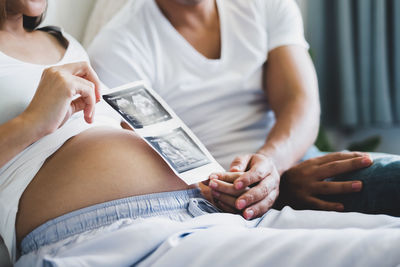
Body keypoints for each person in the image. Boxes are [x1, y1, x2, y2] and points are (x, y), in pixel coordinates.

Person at [1, 0, 400, 266]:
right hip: (115, 234)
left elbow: (300, 101)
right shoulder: (123, 39)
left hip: (206, 209)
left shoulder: (62, 42)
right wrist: (31, 122)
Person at [88, 0, 400, 218]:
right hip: (219, 195)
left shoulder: (263, 5)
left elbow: (299, 101)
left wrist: (274, 169)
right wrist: (253, 188)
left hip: (293, 164)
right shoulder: (118, 46)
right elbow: (142, 164)